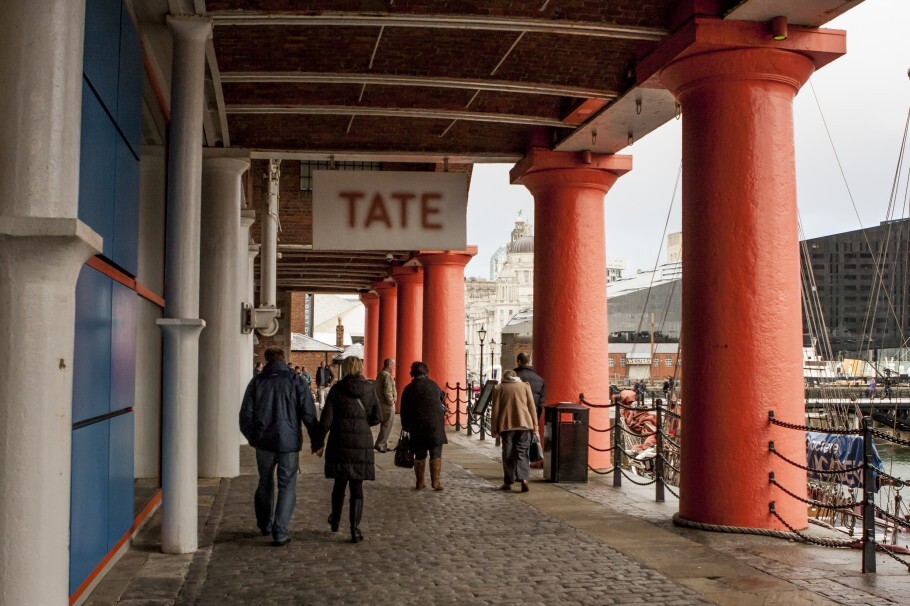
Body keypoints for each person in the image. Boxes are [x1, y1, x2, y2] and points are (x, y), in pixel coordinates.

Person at [239, 347, 318, 546]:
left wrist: (253, 438)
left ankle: (265, 524)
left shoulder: (257, 382)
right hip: (288, 442)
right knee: (287, 485)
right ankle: (280, 531)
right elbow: (308, 413)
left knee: (265, 482)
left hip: (264, 442)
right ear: (284, 359)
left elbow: (245, 415)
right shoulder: (296, 381)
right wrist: (316, 439)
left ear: (266, 360)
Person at [314, 356, 381, 544]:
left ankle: (335, 520)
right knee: (357, 486)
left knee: (339, 484)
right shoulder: (369, 388)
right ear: (360, 368)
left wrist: (318, 442)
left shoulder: (336, 390)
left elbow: (326, 419)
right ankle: (354, 528)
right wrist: (362, 423)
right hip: (361, 441)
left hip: (339, 439)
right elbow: (378, 416)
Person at [400, 361, 447, 491]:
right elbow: (442, 396)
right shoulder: (433, 385)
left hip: (417, 426)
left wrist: (405, 426)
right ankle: (436, 482)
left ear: (413, 373)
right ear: (426, 372)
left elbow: (404, 410)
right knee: (435, 453)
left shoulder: (409, 388)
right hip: (435, 426)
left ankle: (420, 481)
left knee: (420, 454)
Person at [490, 370, 538, 492]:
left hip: (507, 425)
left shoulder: (499, 388)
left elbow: (495, 410)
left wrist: (494, 428)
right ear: (515, 377)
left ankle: (508, 481)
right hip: (525, 424)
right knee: (522, 452)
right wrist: (535, 425)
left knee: (508, 453)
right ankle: (524, 479)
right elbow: (531, 406)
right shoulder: (524, 386)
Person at [514, 352, 546, 421]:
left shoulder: (511, 377)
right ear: (529, 361)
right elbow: (540, 404)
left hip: (514, 416)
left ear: (519, 361)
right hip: (531, 416)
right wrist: (536, 418)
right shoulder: (540, 380)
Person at [373, 358, 396, 452]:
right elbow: (388, 391)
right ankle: (381, 444)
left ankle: (383, 443)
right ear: (389, 366)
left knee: (385, 425)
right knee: (387, 425)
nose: (394, 368)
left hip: (381, 403)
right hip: (387, 404)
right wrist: (391, 402)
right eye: (393, 366)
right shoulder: (387, 376)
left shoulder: (380, 374)